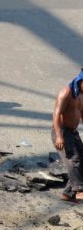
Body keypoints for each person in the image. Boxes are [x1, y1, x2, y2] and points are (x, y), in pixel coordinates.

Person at [52, 70, 83, 202]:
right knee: (74, 159)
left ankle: (67, 194)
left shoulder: (81, 95)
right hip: (62, 132)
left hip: (73, 132)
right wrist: (59, 136)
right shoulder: (66, 92)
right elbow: (56, 114)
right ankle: (79, 190)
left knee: (82, 158)